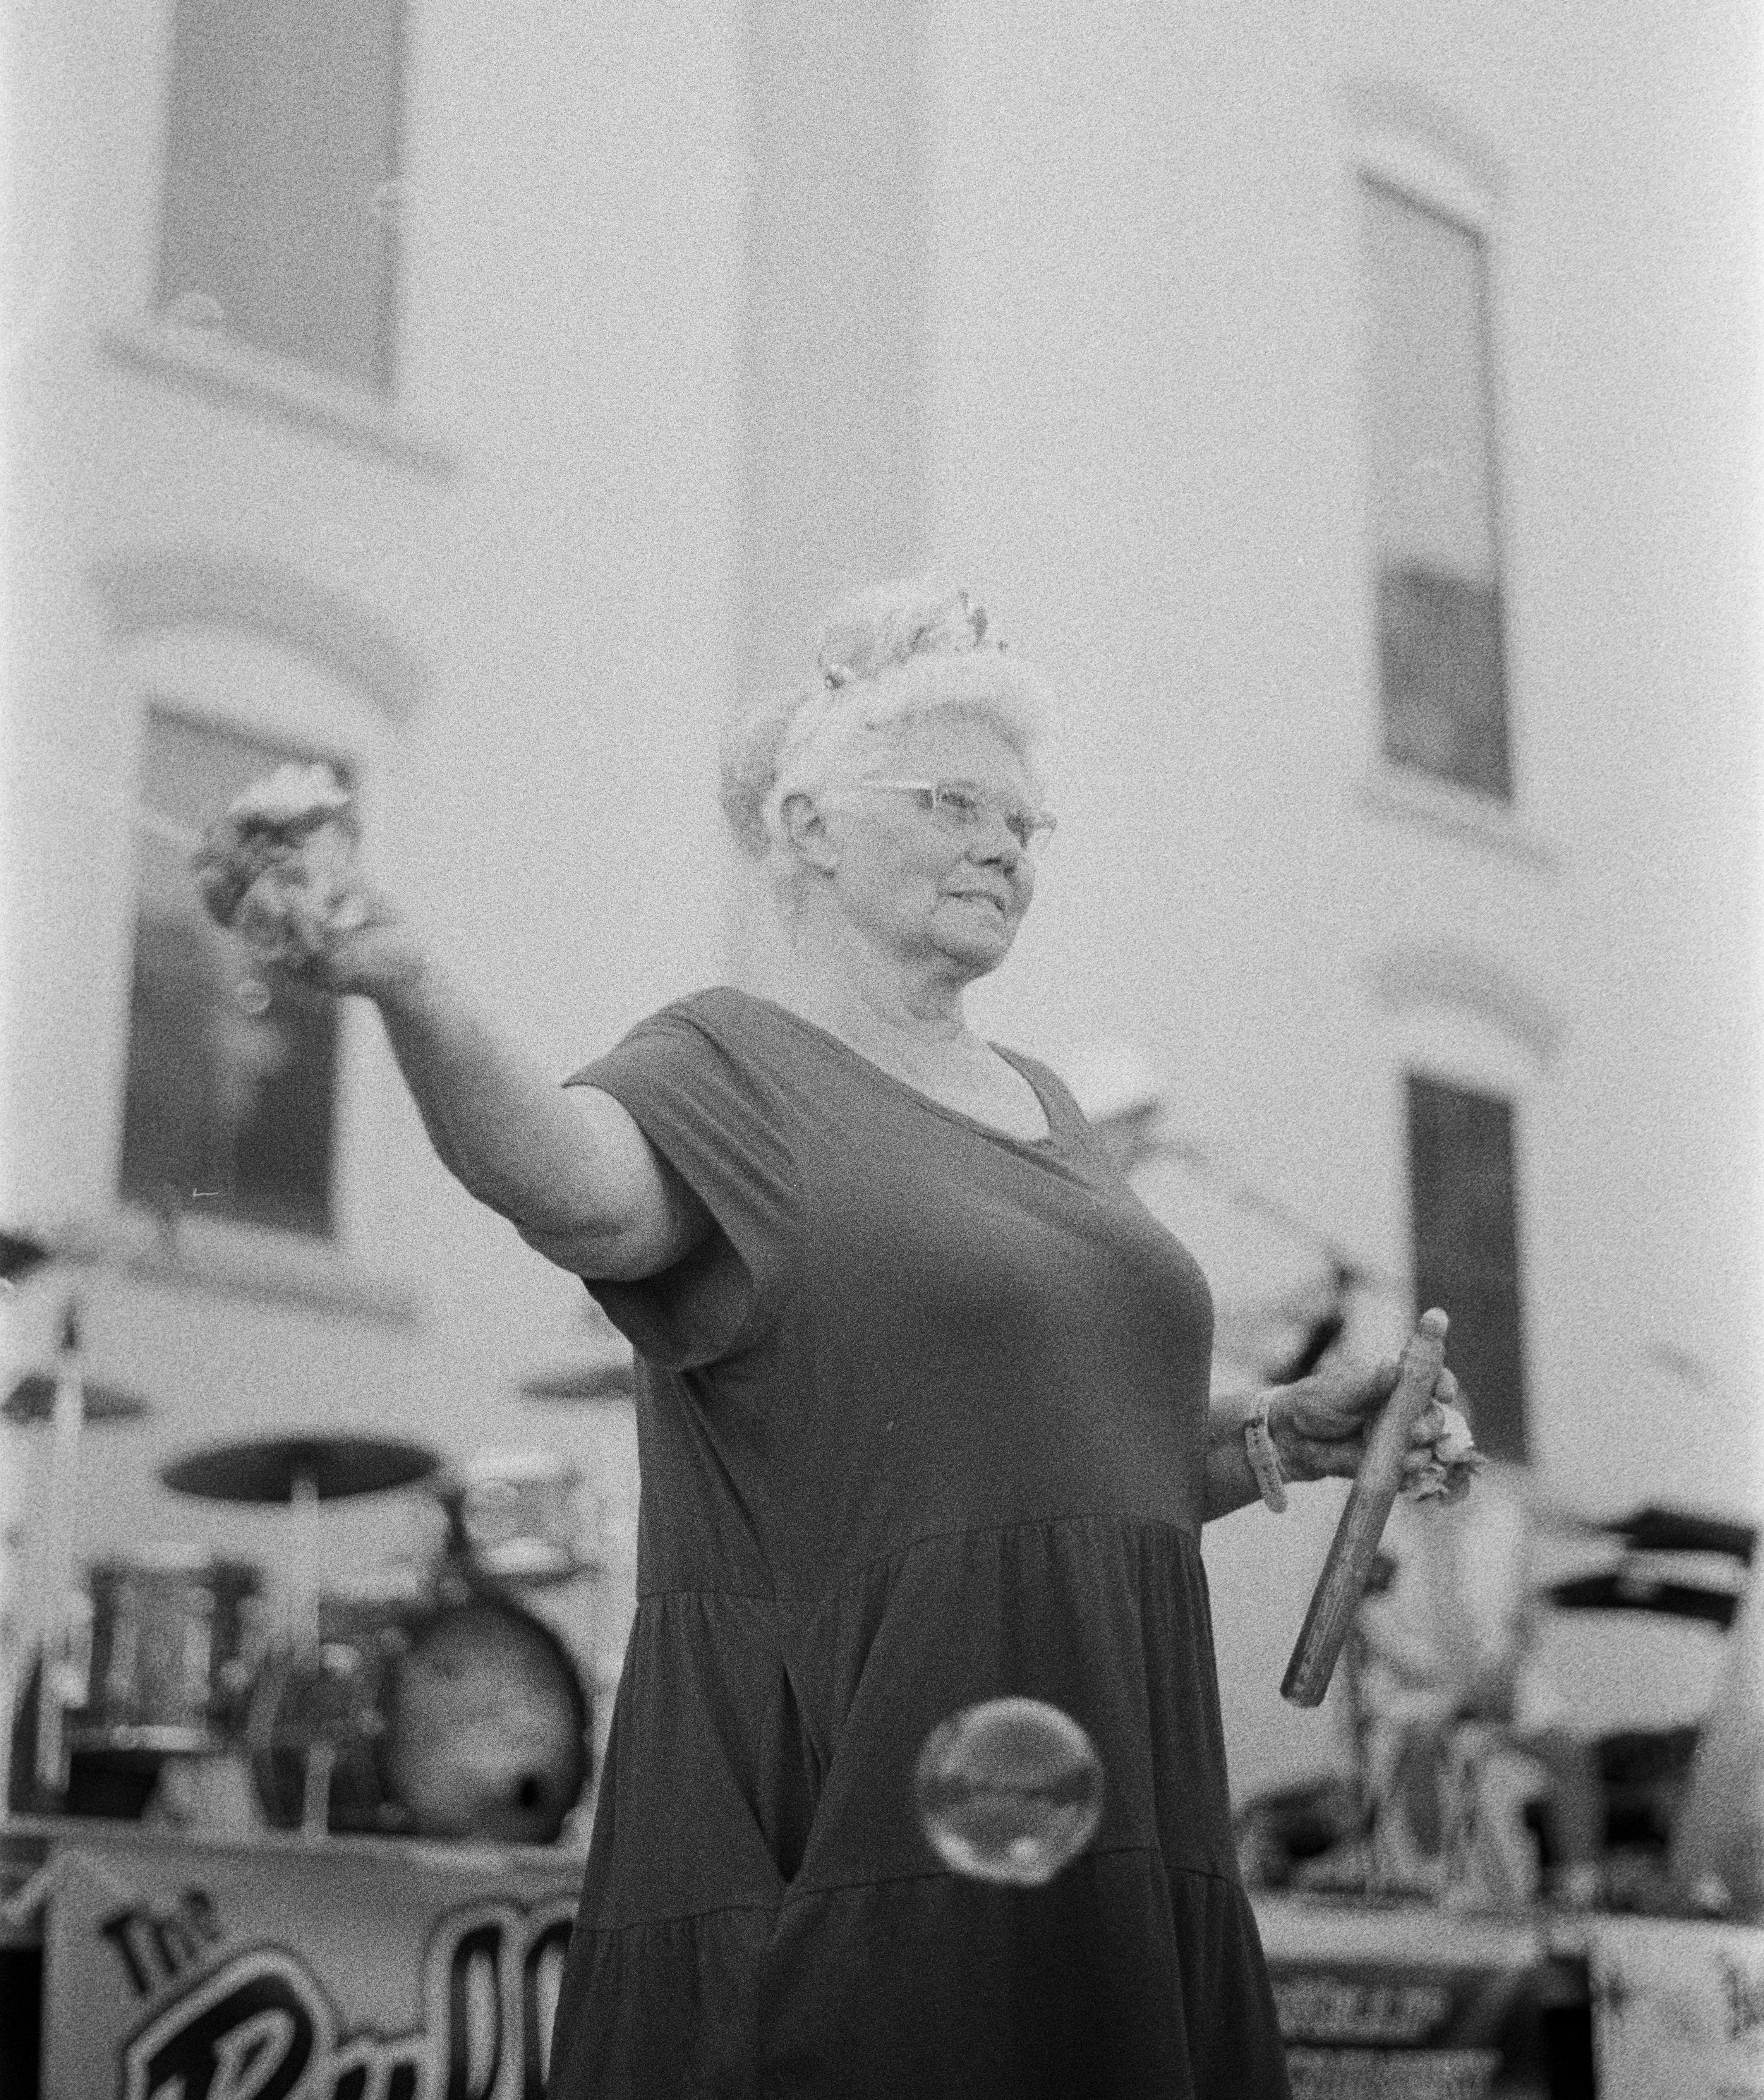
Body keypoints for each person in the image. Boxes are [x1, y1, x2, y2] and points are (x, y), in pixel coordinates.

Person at [196, 578, 1470, 2100]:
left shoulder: (1046, 1105)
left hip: (1104, 1799)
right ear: (807, 825)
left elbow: (1036, 1467)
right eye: (953, 801)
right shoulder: (725, 1068)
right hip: (868, 1822)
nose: (1006, 843)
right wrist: (408, 980)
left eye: (1026, 822)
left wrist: (1272, 1433)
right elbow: (563, 1181)